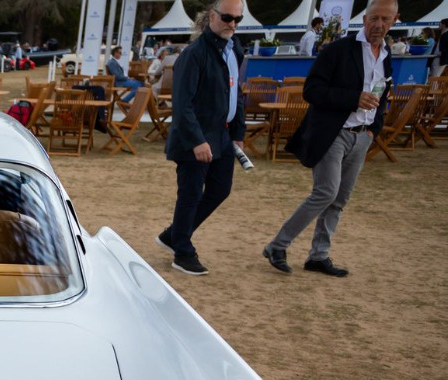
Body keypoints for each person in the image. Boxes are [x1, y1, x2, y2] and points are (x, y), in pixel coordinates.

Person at [262, 0, 399, 279]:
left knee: (340, 199)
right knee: (326, 192)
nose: (379, 24)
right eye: (374, 18)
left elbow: (383, 94)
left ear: (395, 21)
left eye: (385, 19)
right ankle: (277, 246)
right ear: (364, 19)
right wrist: (353, 98)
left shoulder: (386, 54)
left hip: (362, 136)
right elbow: (312, 90)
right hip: (332, 134)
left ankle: (318, 256)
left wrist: (373, 130)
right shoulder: (338, 50)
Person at [155, 1, 246, 276]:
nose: (232, 24)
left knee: (220, 189)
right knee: (191, 194)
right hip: (193, 138)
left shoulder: (234, 49)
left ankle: (174, 235)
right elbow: (182, 104)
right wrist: (197, 140)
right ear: (212, 17)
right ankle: (182, 252)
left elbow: (236, 94)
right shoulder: (194, 54)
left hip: (222, 135)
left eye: (238, 19)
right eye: (227, 17)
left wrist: (238, 133)